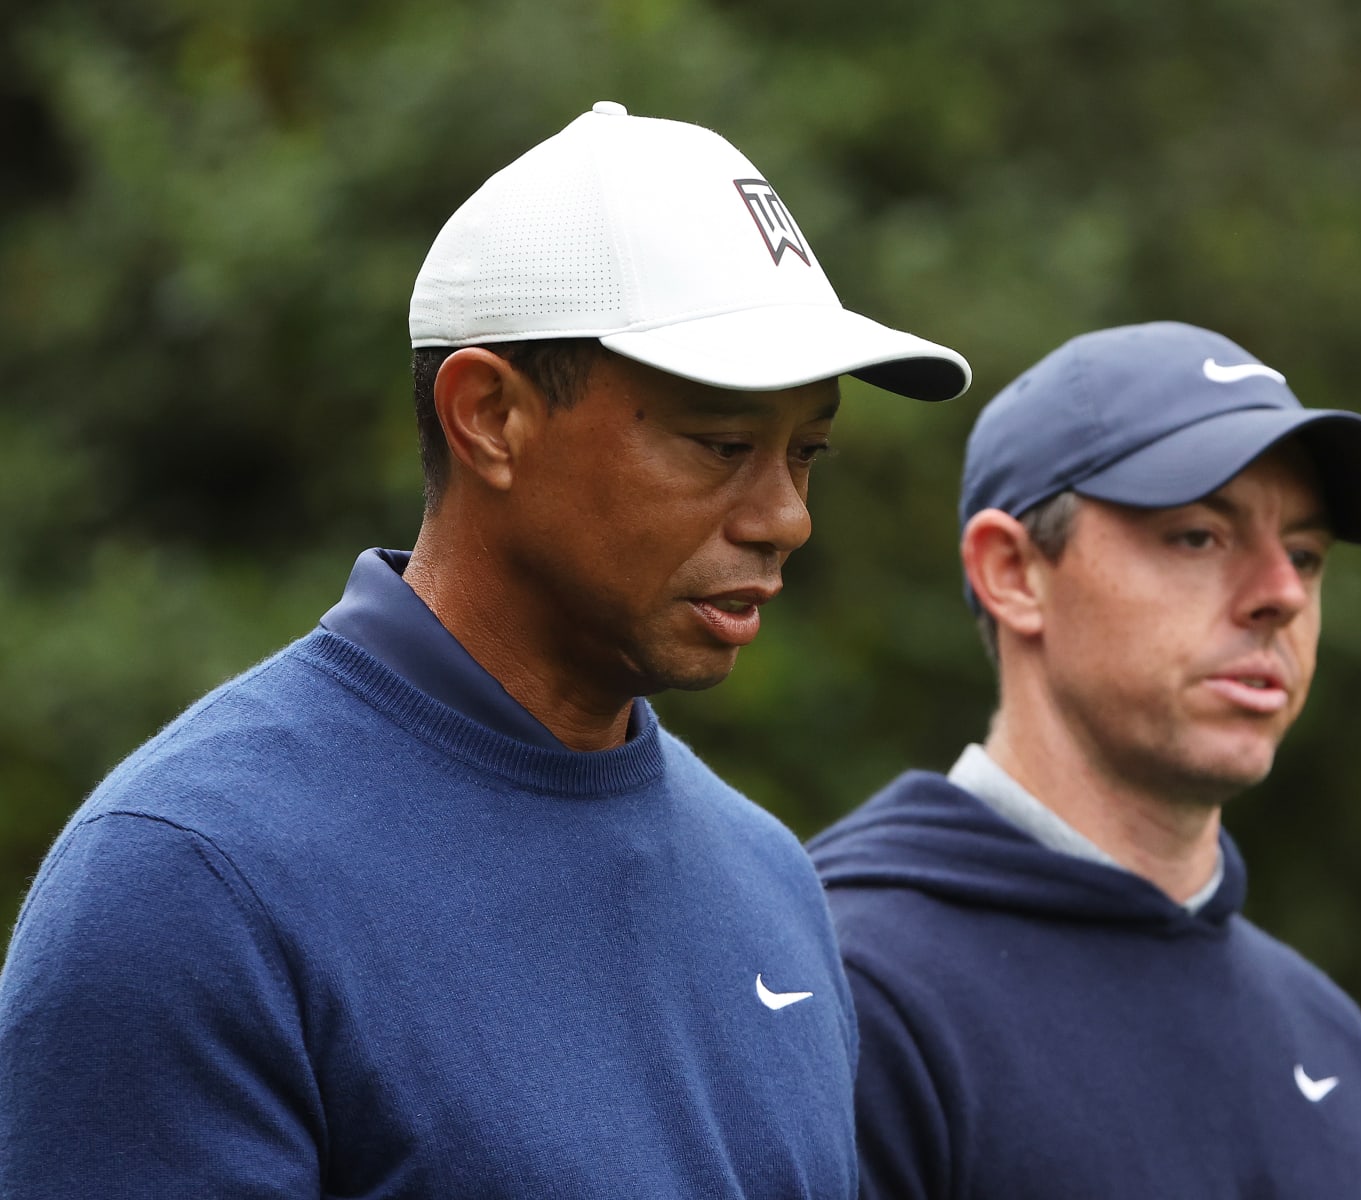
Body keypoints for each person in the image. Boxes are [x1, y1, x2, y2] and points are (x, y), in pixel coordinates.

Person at [0, 101, 969, 1198]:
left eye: (810, 454)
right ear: (489, 417)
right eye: (725, 444)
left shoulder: (770, 880)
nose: (785, 517)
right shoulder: (189, 881)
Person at [809, 321, 1361, 1199]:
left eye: (1307, 555)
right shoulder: (851, 989)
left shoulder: (1334, 1041)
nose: (1281, 594)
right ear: (1012, 571)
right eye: (1199, 536)